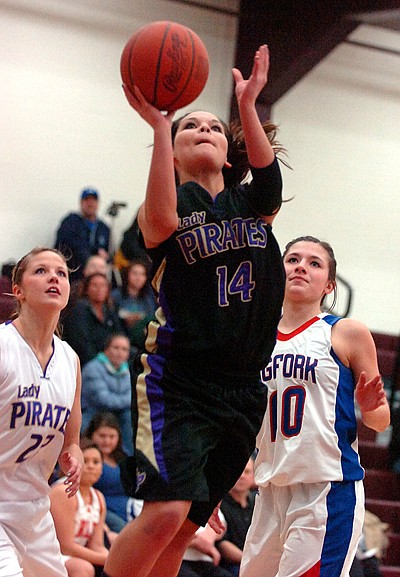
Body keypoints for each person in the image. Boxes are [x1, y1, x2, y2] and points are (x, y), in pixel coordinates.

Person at [102, 44, 286, 577]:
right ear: (174, 154)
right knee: (166, 512)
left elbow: (269, 178)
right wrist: (161, 128)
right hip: (179, 382)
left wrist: (248, 104)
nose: (203, 128)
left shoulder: (252, 203)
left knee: (184, 529)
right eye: (189, 128)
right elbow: (158, 217)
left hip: (244, 388)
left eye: (212, 126)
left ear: (230, 155)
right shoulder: (169, 208)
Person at [240, 236, 391, 577]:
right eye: (293, 260)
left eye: (314, 263)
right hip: (270, 490)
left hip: (326, 490)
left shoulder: (345, 333)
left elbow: (381, 421)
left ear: (329, 284)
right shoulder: (255, 335)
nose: (301, 268)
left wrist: (369, 407)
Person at [0, 247, 83, 577]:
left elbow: (72, 440)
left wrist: (73, 457)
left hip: (35, 512)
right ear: (17, 291)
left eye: (61, 273)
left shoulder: (70, 359)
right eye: (41, 271)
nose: (54, 277)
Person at [50, 437, 109, 577]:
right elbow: (66, 547)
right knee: (83, 568)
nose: (91, 466)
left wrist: (115, 560)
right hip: (50, 553)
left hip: (75, 555)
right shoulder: (64, 491)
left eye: (96, 462)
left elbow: (97, 546)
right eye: (85, 461)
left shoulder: (98, 497)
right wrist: (109, 560)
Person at [81, 334, 134, 454]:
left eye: (124, 349)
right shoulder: (92, 368)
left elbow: (133, 396)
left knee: (129, 415)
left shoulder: (129, 371)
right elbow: (103, 400)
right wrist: (127, 400)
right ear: (106, 349)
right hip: (93, 414)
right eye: (116, 348)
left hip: (118, 416)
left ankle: (128, 458)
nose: (119, 353)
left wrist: (126, 400)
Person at [85, 413, 135, 535]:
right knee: (129, 535)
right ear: (92, 435)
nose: (107, 441)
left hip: (130, 508)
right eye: (102, 436)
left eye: (112, 436)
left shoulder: (124, 456)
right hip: (102, 511)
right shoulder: (85, 456)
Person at [62, 272, 123, 367]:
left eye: (103, 285)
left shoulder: (109, 310)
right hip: (87, 363)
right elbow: (81, 344)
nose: (99, 289)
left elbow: (119, 335)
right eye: (95, 285)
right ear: (87, 289)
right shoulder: (79, 310)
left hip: (110, 360)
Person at [55, 187, 110, 282]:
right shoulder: (71, 221)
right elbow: (68, 243)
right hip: (73, 272)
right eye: (87, 200)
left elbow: (107, 250)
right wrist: (95, 251)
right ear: (81, 203)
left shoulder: (104, 228)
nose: (90, 203)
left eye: (93, 200)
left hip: (95, 275)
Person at [216, 458, 256, 576]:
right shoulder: (218, 504)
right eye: (238, 471)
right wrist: (250, 561)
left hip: (256, 561)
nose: (242, 476)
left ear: (254, 475)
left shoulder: (260, 503)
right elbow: (222, 544)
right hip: (231, 565)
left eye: (247, 472)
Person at [111, 259, 157, 354]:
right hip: (121, 337)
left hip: (143, 341)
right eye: (135, 273)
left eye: (142, 274)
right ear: (127, 274)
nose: (138, 278)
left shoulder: (149, 299)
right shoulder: (115, 296)